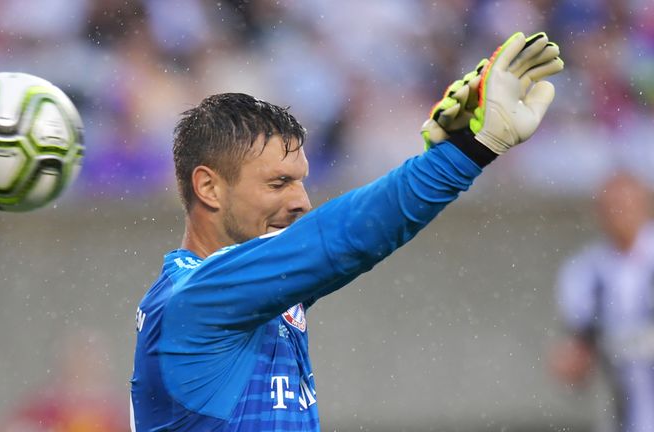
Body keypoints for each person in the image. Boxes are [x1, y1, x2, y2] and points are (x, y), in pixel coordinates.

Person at [130, 32, 563, 431]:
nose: (302, 201)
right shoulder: (196, 299)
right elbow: (342, 237)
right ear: (208, 187)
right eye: (278, 183)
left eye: (301, 181)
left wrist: (445, 151)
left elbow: (353, 237)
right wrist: (466, 153)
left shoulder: (253, 289)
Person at [551, 173, 654, 432]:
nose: (621, 214)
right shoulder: (585, 273)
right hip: (623, 417)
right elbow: (576, 351)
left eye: (628, 205)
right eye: (612, 208)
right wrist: (573, 362)